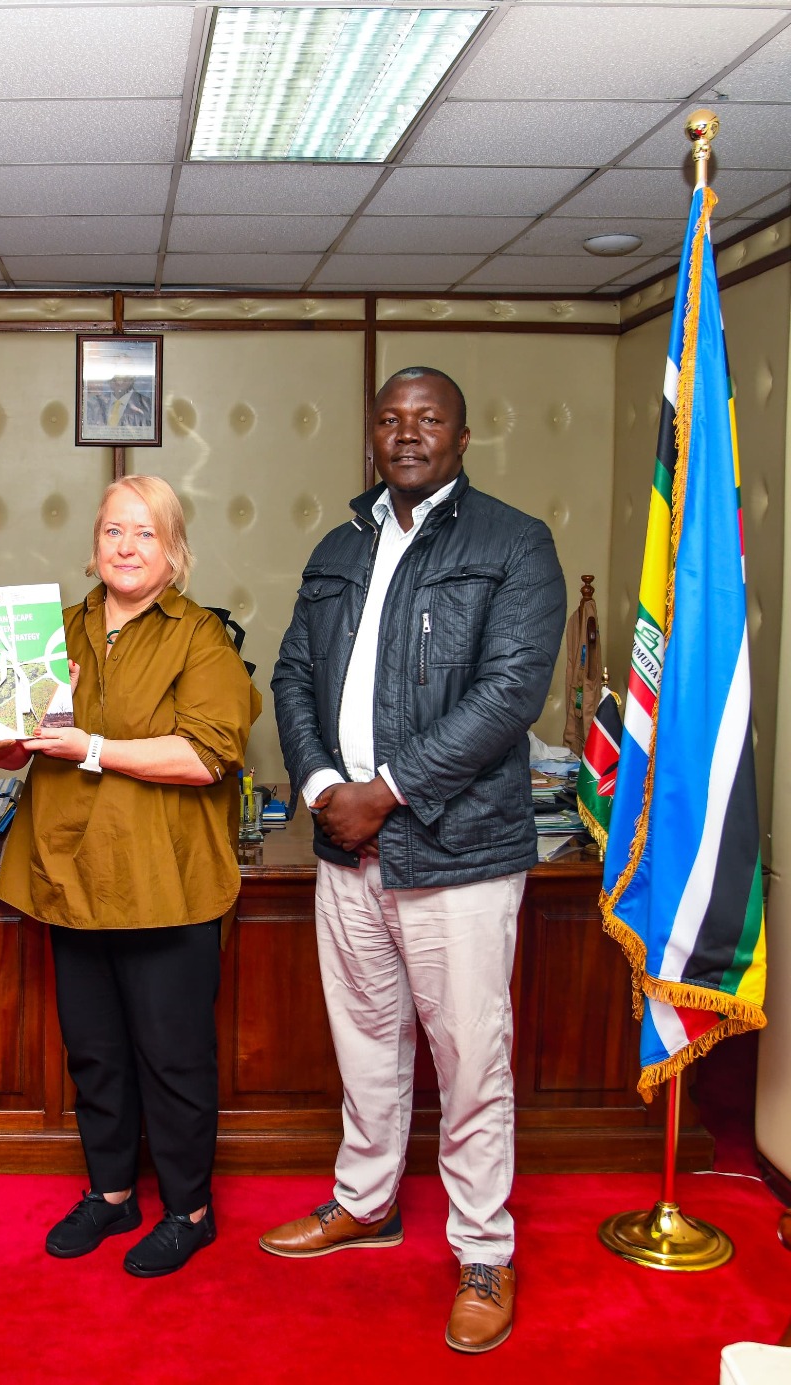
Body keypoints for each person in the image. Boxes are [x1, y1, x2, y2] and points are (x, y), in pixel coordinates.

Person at [265, 367, 566, 1354]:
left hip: (457, 847)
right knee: (365, 1040)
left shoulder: (513, 544)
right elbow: (294, 675)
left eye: (426, 418)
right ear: (371, 435)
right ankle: (365, 1199)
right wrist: (320, 791)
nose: (406, 433)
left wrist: (384, 790)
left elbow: (508, 694)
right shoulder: (337, 544)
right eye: (389, 418)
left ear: (463, 436)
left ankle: (484, 1250)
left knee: (469, 1058)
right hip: (342, 844)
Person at [0, 475, 259, 1278]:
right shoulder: (54, 630)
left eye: (146, 533)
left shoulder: (202, 636)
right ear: (95, 542)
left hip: (166, 882)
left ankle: (190, 1209)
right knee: (95, 1053)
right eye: (115, 530)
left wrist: (93, 748)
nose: (127, 547)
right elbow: (13, 749)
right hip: (69, 874)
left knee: (174, 1059)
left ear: (173, 549)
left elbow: (206, 754)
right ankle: (110, 1194)